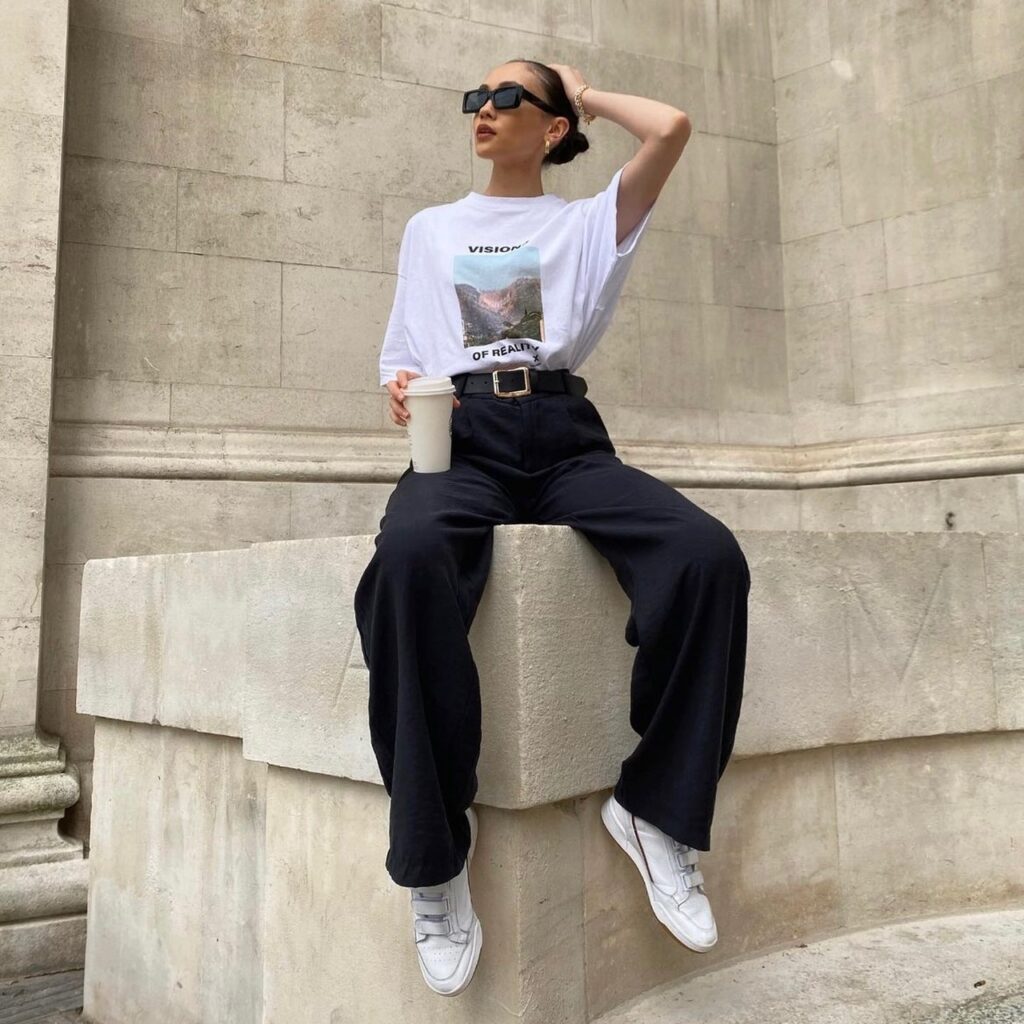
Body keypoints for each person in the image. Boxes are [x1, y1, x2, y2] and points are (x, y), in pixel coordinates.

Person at [353, 59, 751, 997]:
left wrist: (587, 88)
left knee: (707, 558)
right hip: (465, 437)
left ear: (554, 127)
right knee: (406, 559)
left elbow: (673, 126)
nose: (483, 112)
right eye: (475, 100)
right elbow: (403, 355)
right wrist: (402, 392)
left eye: (507, 100)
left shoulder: (586, 226)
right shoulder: (433, 229)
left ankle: (655, 811)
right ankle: (434, 857)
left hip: (566, 438)